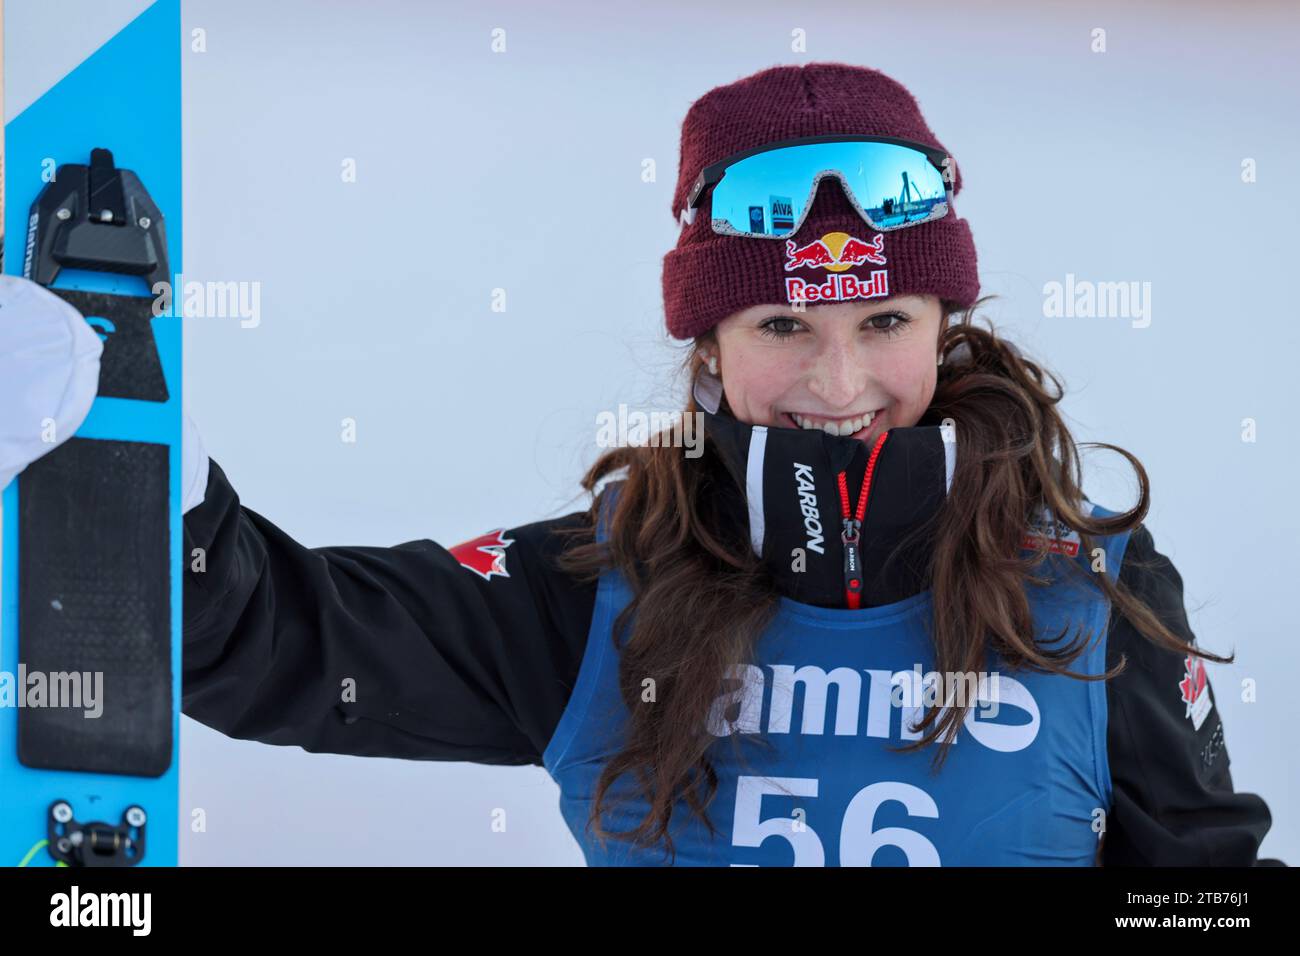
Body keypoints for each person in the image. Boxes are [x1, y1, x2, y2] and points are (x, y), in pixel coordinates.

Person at [0, 62, 1279, 866]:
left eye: (884, 324)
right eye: (784, 327)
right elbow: (286, 645)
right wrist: (142, 492)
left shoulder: (1087, 577)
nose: (840, 385)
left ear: (946, 328)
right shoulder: (604, 588)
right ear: (710, 350)